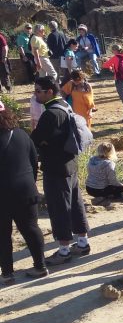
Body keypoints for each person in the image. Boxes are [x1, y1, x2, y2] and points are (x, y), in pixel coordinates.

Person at [29, 76, 91, 265]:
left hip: (55, 167)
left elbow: (35, 140)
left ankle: (64, 251)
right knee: (75, 203)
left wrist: (44, 143)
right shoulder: (65, 105)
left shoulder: (50, 114)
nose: (35, 94)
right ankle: (82, 242)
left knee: (59, 208)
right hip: (70, 162)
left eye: (38, 91)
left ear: (49, 92)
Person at [0, 99, 48, 283]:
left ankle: (7, 274)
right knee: (31, 228)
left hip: (2, 193)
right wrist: (30, 181)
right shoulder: (21, 134)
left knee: (3, 234)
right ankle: (40, 266)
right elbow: (34, 161)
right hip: (26, 189)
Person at [102, 44, 123, 120]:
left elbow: (105, 65)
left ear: (115, 50)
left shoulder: (115, 57)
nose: (112, 52)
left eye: (112, 51)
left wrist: (104, 61)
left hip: (120, 81)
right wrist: (112, 67)